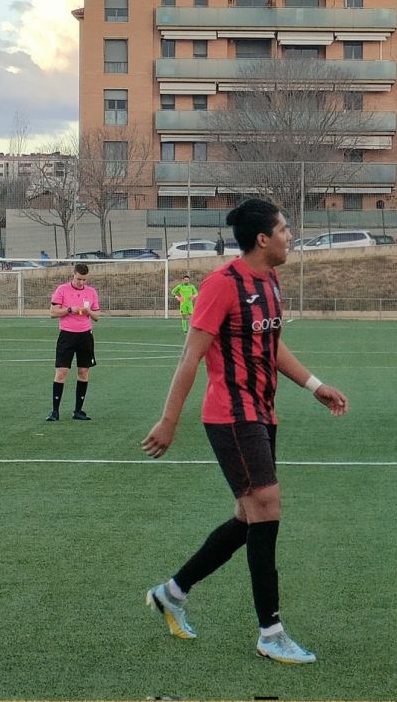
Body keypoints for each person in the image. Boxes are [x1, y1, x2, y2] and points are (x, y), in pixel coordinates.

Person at [141, 199, 348, 665]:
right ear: (262, 239)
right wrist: (169, 420)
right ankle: (270, 632)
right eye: (284, 229)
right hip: (231, 416)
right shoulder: (222, 285)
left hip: (262, 412)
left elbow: (271, 345)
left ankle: (172, 592)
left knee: (249, 515)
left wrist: (314, 385)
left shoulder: (270, 280)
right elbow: (191, 356)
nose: (290, 236)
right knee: (267, 506)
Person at [47, 263, 101, 421]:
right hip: (67, 336)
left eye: (84, 280)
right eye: (79, 279)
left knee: (83, 372)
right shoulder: (62, 290)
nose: (81, 282)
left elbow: (97, 316)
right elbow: (53, 313)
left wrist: (88, 311)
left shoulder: (91, 292)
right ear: (73, 275)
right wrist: (69, 309)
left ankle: (78, 411)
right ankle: (55, 412)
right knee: (62, 372)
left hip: (85, 336)